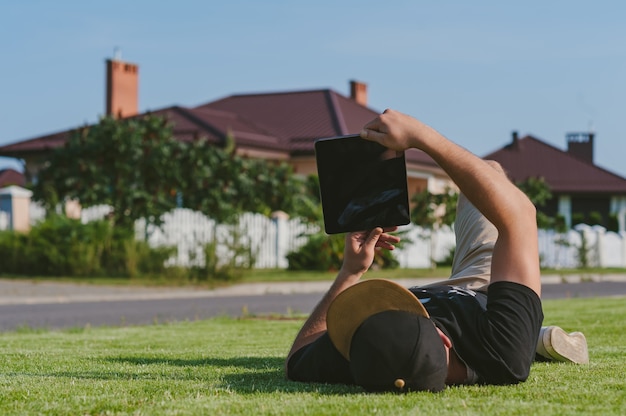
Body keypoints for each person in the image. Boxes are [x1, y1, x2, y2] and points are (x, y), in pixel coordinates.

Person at [285, 109, 589, 393]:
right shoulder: (501, 350)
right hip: (485, 292)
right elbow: (519, 215)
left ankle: (532, 334)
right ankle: (531, 333)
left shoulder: (369, 357)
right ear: (443, 337)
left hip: (467, 306)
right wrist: (421, 137)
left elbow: (297, 358)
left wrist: (351, 272)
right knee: (492, 171)